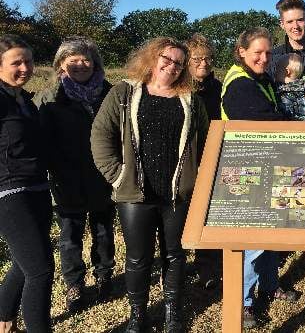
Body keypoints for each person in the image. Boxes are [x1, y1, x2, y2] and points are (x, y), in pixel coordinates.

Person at [91, 37, 209, 333]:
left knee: (175, 255)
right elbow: (100, 135)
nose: (171, 66)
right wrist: (117, 176)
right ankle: (138, 314)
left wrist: (197, 180)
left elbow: (206, 140)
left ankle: (172, 312)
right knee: (137, 257)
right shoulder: (123, 93)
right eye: (166, 59)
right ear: (152, 58)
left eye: (179, 63)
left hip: (176, 196)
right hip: (135, 194)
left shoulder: (190, 100)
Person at [221, 27, 297, 328]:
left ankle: (269, 284)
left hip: (265, 164)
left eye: (268, 53)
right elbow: (268, 120)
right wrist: (292, 121)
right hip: (245, 170)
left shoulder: (258, 78)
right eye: (257, 53)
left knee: (271, 232)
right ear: (242, 52)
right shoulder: (240, 85)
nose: (264, 58)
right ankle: (244, 302)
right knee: (252, 239)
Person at [34, 37, 115, 312]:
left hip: (103, 177)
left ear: (95, 63)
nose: (80, 65)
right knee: (70, 237)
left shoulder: (110, 93)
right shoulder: (50, 97)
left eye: (86, 59)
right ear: (61, 65)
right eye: (73, 60)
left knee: (103, 231)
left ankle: (104, 274)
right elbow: (39, 141)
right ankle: (74, 284)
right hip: (66, 179)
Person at [0, 35, 54, 333]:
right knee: (41, 270)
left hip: (37, 189)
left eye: (29, 61)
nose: (25, 67)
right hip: (9, 193)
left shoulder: (25, 101)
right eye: (16, 62)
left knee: (26, 263)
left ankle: (4, 318)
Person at [184, 33, 222, 289]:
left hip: (210, 157)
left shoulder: (219, 89)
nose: (203, 64)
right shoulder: (179, 88)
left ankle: (208, 268)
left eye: (208, 58)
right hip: (184, 160)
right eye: (197, 59)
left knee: (208, 214)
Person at [274, 53, 305, 121]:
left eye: (277, 69)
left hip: (294, 127)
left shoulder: (287, 91)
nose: (275, 72)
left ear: (287, 71)